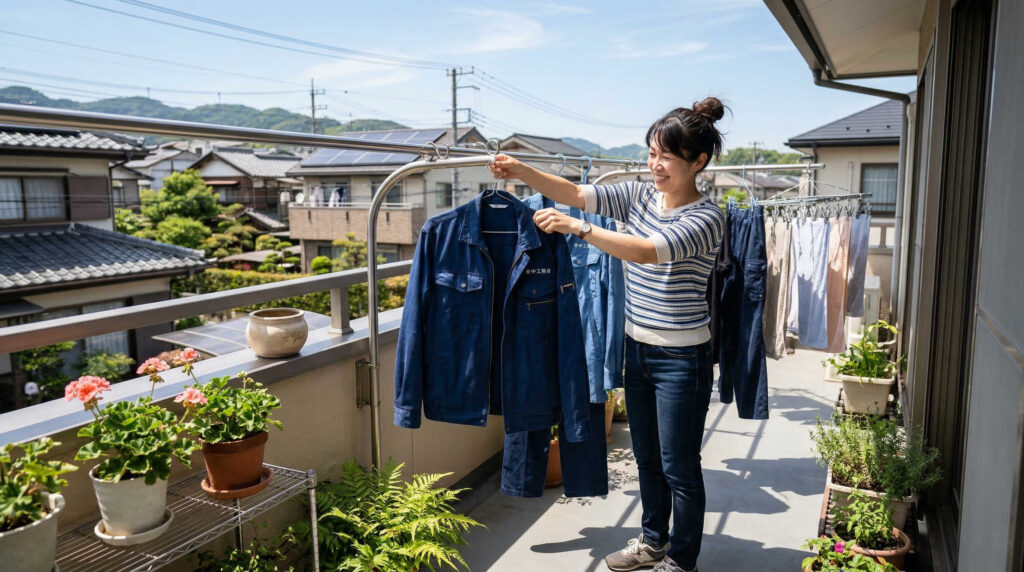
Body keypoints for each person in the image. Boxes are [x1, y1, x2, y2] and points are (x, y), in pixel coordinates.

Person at [489, 97, 727, 572]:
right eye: (652, 153)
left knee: (679, 466)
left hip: (682, 358)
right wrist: (522, 170)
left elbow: (644, 251)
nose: (655, 165)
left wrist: (576, 229)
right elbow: (574, 193)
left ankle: (681, 560)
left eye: (667, 157)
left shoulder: (708, 217)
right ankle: (653, 540)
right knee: (647, 460)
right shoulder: (639, 195)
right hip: (637, 349)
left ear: (698, 162)